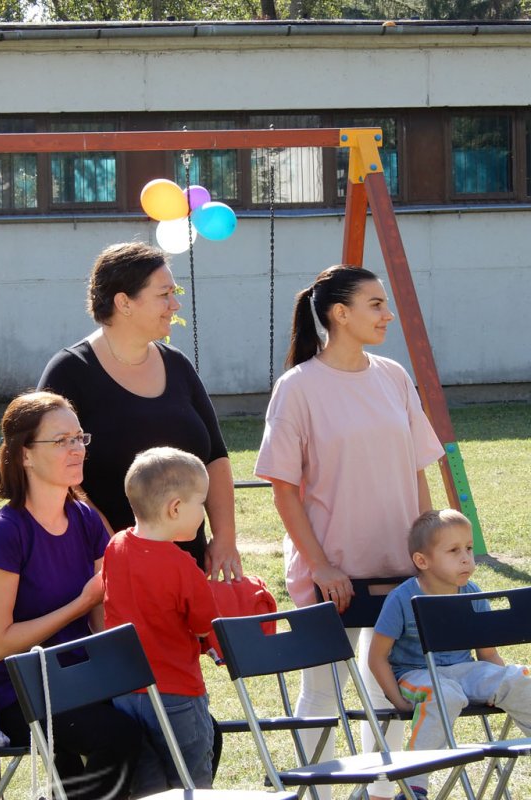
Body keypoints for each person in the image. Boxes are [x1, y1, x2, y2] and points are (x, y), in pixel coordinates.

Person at [254, 264, 444, 800]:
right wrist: (321, 565)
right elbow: (284, 489)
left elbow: (416, 470)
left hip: (402, 568)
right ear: (340, 314)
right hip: (331, 573)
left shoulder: (393, 376)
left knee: (386, 688)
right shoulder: (297, 388)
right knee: (322, 691)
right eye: (375, 305)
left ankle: (379, 794)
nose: (387, 315)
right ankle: (306, 793)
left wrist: (426, 553)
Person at [37, 241, 242, 583]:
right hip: (106, 568)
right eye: (164, 294)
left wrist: (225, 537)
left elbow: (216, 458)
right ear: (124, 302)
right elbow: (51, 471)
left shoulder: (177, 364)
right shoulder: (69, 372)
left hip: (188, 565)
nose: (175, 304)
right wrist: (109, 548)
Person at [0, 391, 142, 800]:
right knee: (117, 737)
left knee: (185, 725)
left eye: (79, 438)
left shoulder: (85, 517)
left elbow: (105, 615)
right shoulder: (6, 531)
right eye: (61, 441)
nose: (76, 450)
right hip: (24, 693)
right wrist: (79, 605)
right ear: (25, 455)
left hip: (85, 681)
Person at [370, 509, 531, 800]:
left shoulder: (472, 593)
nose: (466, 558)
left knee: (519, 677)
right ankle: (413, 786)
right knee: (446, 695)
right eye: (454, 550)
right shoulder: (402, 599)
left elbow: (487, 654)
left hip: (464, 670)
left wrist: (501, 684)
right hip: (416, 674)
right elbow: (377, 656)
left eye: (469, 548)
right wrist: (396, 699)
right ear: (422, 561)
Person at [103, 447, 219, 795]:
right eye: (201, 504)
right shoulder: (183, 567)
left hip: (124, 691)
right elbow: (206, 626)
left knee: (148, 786)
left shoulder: (115, 547)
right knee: (191, 780)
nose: (203, 513)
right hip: (176, 691)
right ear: (176, 508)